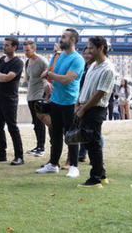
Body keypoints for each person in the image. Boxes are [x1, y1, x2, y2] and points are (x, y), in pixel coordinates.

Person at [37, 28, 84, 178]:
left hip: (70, 103)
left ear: (73, 40)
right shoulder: (57, 56)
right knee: (55, 134)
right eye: (61, 36)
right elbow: (44, 75)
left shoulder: (77, 59)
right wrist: (45, 81)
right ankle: (53, 164)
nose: (60, 39)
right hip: (55, 101)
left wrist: (49, 75)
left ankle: (74, 167)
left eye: (64, 37)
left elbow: (66, 79)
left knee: (71, 135)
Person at [75, 36, 116, 188]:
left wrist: (83, 109)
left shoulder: (108, 69)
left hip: (95, 109)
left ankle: (95, 179)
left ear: (101, 48)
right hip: (85, 107)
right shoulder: (92, 66)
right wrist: (78, 103)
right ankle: (102, 175)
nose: (88, 50)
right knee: (92, 142)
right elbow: (85, 87)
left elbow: (99, 93)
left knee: (93, 144)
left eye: (91, 48)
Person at [0, 36, 25, 166]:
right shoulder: (2, 60)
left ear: (14, 47)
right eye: (4, 45)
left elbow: (8, 78)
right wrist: (0, 76)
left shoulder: (18, 62)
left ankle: (19, 156)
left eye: (7, 45)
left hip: (10, 99)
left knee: (12, 127)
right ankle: (1, 153)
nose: (4, 47)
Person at [24, 39, 49, 157]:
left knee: (40, 122)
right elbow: (28, 78)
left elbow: (49, 76)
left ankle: (42, 148)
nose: (26, 52)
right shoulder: (27, 62)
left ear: (34, 49)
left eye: (28, 50)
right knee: (35, 122)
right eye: (24, 50)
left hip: (40, 95)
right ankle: (38, 145)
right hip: (30, 95)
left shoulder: (43, 61)